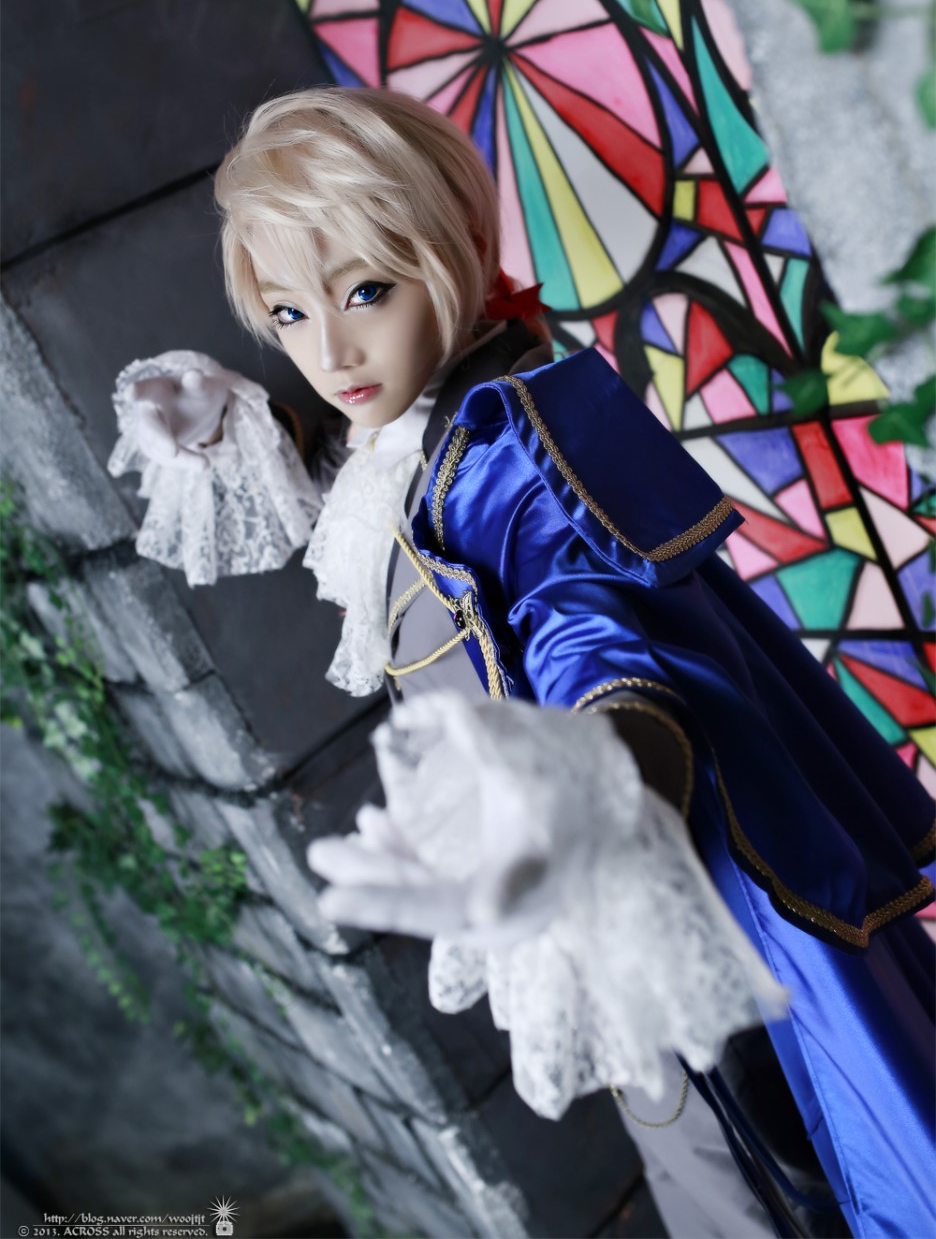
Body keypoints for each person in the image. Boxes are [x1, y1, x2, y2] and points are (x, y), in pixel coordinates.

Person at [109, 86, 935, 1239]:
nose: (330, 351)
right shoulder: (431, 422)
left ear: (449, 250)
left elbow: (594, 630)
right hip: (595, 918)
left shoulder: (521, 448)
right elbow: (380, 483)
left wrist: (589, 782)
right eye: (289, 313)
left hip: (682, 903)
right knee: (700, 1159)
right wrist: (258, 426)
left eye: (365, 292)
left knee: (786, 1175)